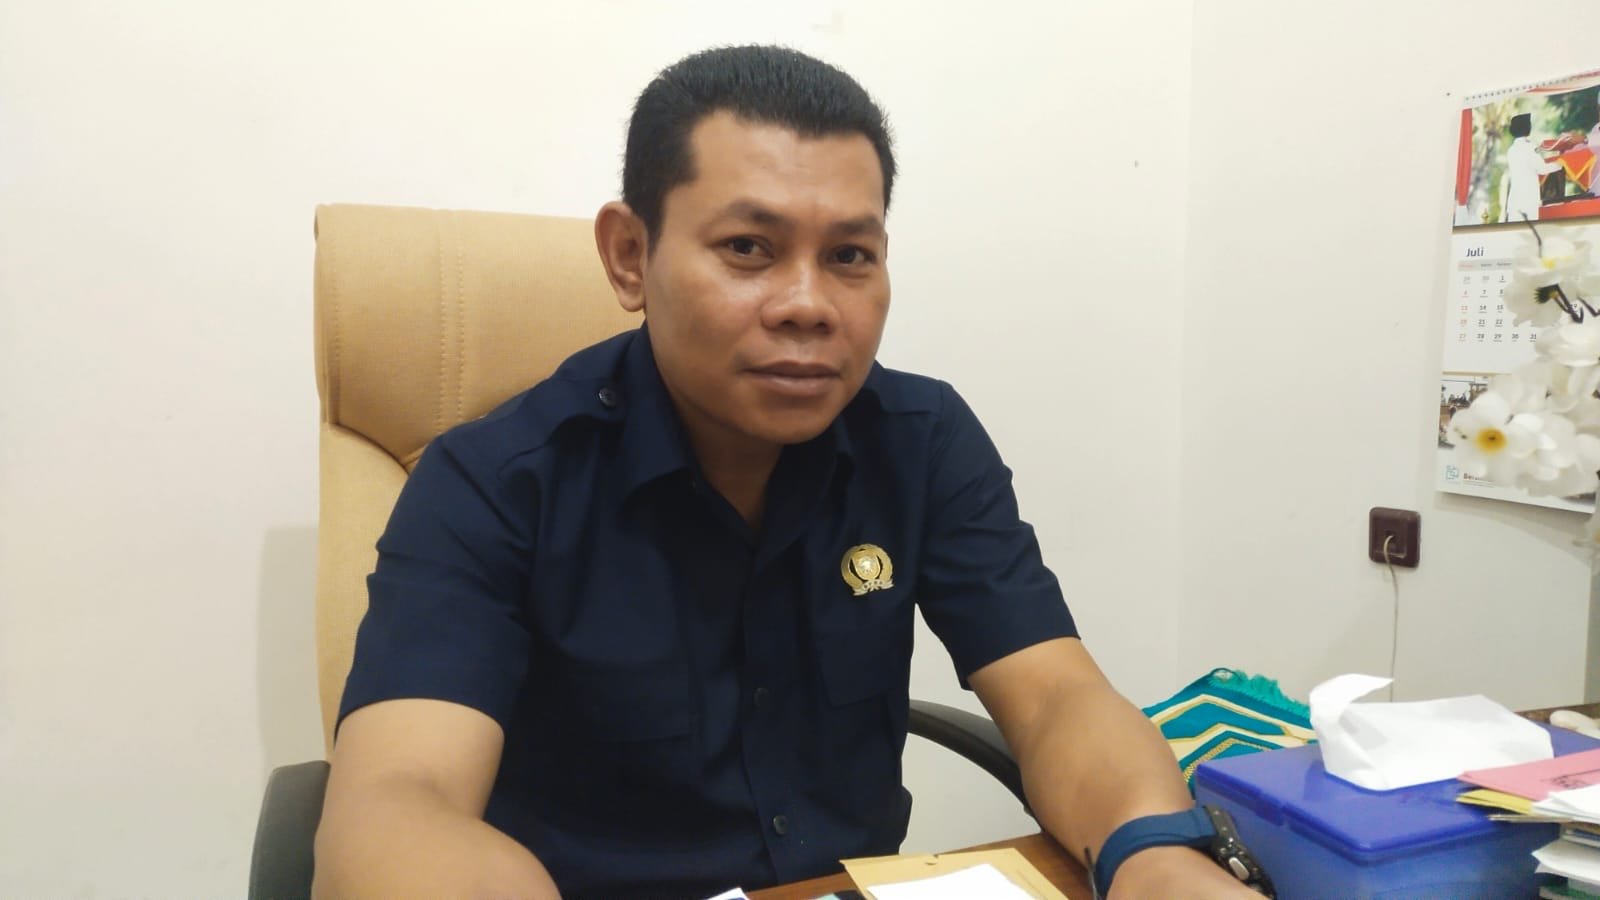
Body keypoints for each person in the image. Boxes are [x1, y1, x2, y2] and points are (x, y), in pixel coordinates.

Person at [312, 46, 1264, 899]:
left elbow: (1056, 694)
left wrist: (1154, 856)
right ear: (631, 256)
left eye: (849, 255)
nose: (808, 304)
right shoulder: (492, 481)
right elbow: (399, 798)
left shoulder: (921, 441)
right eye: (748, 249)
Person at [1500, 112, 1560, 222]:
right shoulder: (1529, 147)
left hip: (1515, 200)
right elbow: (1542, 169)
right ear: (1526, 128)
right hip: (1528, 200)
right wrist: (1560, 164)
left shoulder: (1511, 150)